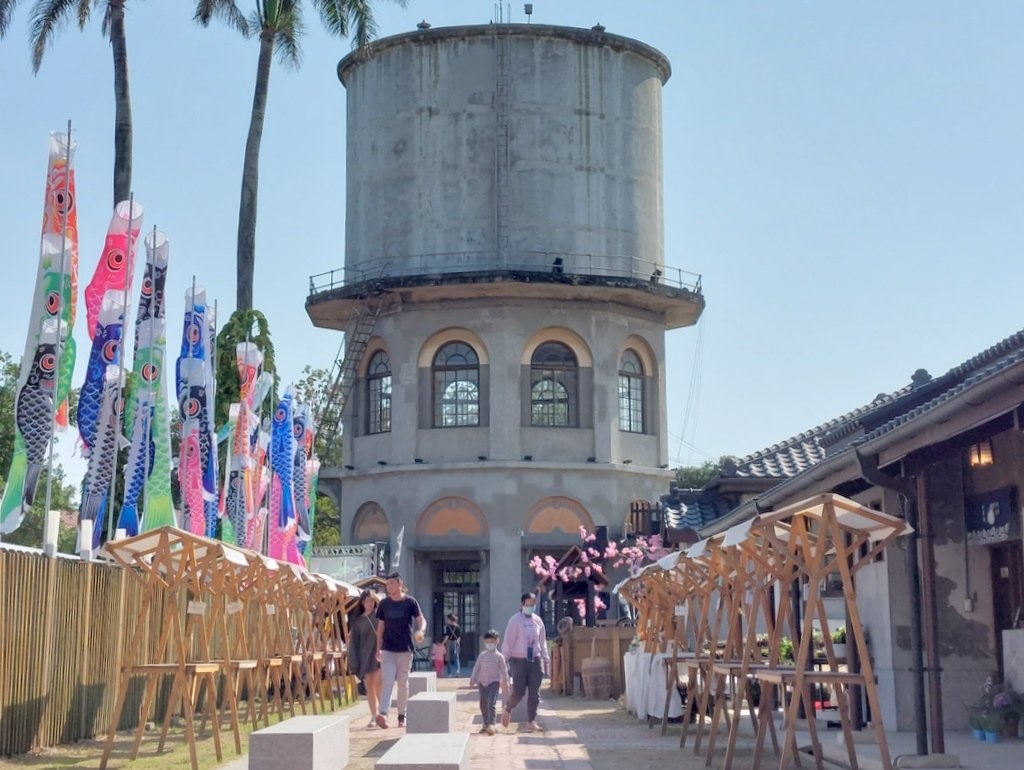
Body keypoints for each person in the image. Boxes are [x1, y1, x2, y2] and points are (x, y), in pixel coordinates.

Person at [375, 571, 426, 729]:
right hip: (388, 649)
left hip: (405, 648)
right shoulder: (384, 604)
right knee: (388, 681)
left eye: (391, 583)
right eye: (387, 584)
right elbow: (381, 627)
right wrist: (378, 648)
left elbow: (421, 619)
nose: (389, 587)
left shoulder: (410, 602)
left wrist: (421, 630)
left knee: (403, 683)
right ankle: (383, 713)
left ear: (400, 584)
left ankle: (402, 716)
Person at [501, 592, 549, 732]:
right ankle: (508, 708)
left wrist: (546, 658)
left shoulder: (538, 621)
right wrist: (504, 659)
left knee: (535, 693)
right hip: (519, 660)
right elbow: (508, 642)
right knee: (519, 691)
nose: (529, 607)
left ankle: (531, 721)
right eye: (527, 605)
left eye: (532, 605)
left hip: (535, 659)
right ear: (522, 605)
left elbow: (542, 641)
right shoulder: (515, 621)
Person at [348, 590, 383, 727]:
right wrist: (354, 662)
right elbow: (354, 643)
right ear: (362, 603)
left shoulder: (380, 615)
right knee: (370, 687)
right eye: (367, 601)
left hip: (379, 655)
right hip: (365, 655)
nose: (369, 604)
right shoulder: (358, 621)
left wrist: (376, 596)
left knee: (379, 684)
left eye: (371, 601)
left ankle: (382, 712)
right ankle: (373, 716)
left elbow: (384, 605)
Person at [469, 629, 509, 735]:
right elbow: (477, 668)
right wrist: (473, 678)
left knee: (491, 703)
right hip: (482, 683)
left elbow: (504, 671)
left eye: (491, 642)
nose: (489, 644)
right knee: (483, 704)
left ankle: (492, 724)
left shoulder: (500, 657)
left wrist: (505, 682)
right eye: (487, 642)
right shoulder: (482, 655)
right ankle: (485, 723)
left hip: (494, 683)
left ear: (497, 641)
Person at [443, 612, 462, 676]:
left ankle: (449, 673)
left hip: (449, 642)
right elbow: (459, 637)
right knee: (456, 657)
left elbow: (447, 636)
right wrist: (458, 644)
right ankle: (457, 671)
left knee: (448, 658)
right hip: (456, 642)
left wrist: (443, 643)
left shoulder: (447, 627)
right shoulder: (458, 627)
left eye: (447, 619)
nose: (447, 620)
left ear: (450, 619)